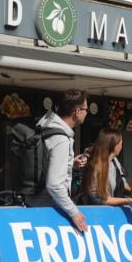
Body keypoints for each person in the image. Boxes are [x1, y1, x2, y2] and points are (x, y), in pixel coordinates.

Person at [25, 89, 88, 233]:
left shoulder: (47, 127)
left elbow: (45, 164)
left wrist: (69, 163)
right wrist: (74, 212)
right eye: (86, 109)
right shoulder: (61, 139)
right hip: (48, 212)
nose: (87, 113)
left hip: (35, 205)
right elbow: (54, 184)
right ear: (77, 111)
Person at [78, 129, 132, 208]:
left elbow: (121, 183)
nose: (122, 145)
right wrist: (126, 201)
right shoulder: (94, 165)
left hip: (110, 213)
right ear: (115, 145)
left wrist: (131, 190)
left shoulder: (115, 162)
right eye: (121, 142)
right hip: (95, 214)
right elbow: (95, 199)